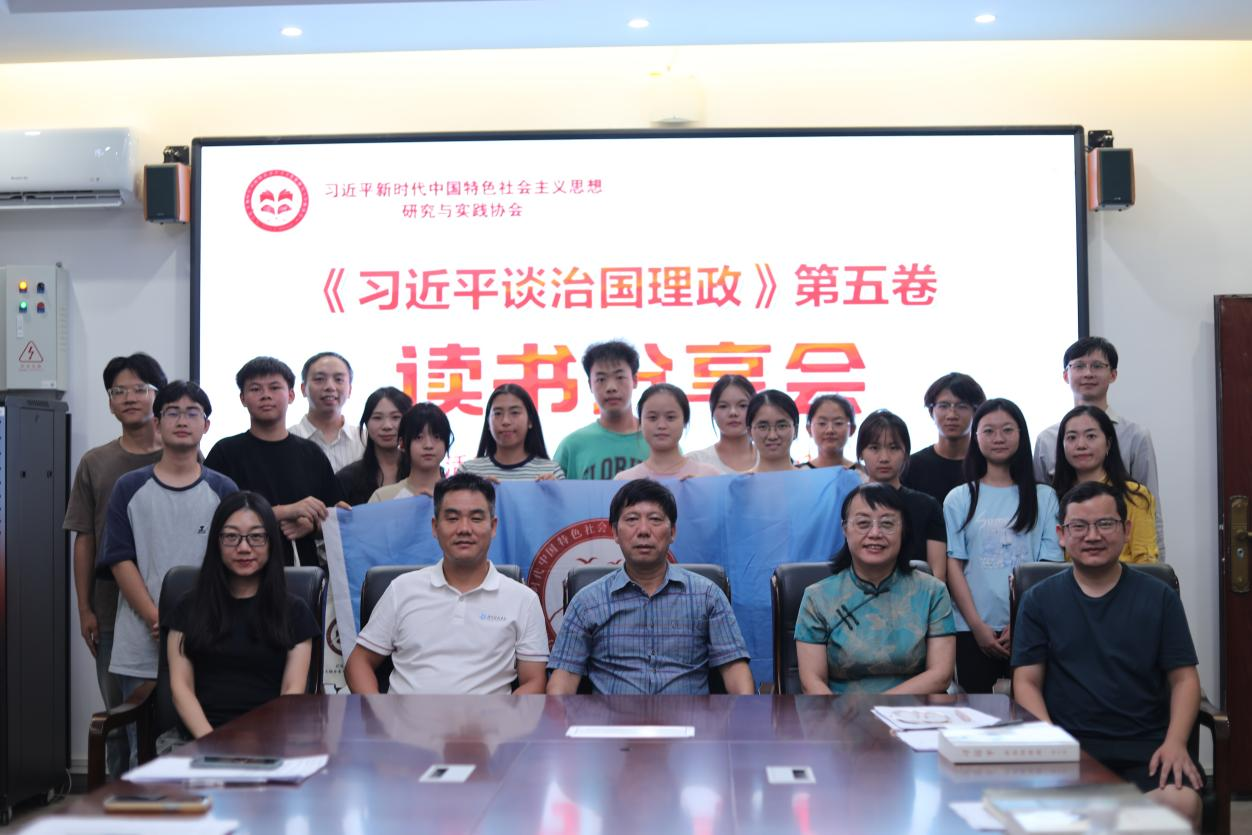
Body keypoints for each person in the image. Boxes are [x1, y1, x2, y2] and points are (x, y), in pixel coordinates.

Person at [1012, 482, 1202, 829]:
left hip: (1146, 749)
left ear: (1126, 530)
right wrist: (1051, 743)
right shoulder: (1039, 600)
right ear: (1062, 535)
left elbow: (1184, 679)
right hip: (1071, 748)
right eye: (1079, 526)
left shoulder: (1159, 597)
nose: (1092, 536)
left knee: (1181, 803)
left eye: (1105, 524)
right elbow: (1026, 681)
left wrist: (1176, 743)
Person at [98, 381, 238, 756]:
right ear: (157, 424)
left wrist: (194, 620)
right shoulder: (129, 487)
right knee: (139, 752)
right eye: (172, 412)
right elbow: (119, 558)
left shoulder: (224, 489)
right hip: (141, 640)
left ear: (206, 425)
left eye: (193, 413)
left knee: (203, 746)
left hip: (208, 637)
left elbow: (233, 561)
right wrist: (156, 617)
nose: (182, 420)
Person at [345, 473, 548, 695]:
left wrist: (503, 716)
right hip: (406, 716)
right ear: (435, 527)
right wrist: (379, 710)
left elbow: (534, 681)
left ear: (493, 526)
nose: (464, 529)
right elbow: (359, 662)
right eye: (452, 518)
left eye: (476, 518)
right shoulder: (402, 589)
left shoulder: (523, 600)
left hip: (489, 717)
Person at [547, 478, 754, 695]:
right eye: (632, 519)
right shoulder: (587, 602)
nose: (643, 530)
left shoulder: (707, 596)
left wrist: (745, 713)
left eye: (655, 519)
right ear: (615, 532)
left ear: (672, 532)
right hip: (610, 716)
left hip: (690, 715)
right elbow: (563, 680)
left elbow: (735, 671)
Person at [63, 352, 167, 777]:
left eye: (140, 389)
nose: (129, 398)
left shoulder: (182, 454)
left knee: (166, 717)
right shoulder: (96, 462)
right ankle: (115, 801)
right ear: (109, 403)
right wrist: (84, 607)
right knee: (118, 717)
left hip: (170, 603)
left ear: (158, 396)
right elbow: (85, 537)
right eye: (118, 391)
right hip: (109, 607)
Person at [166, 491, 320, 739]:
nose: (244, 548)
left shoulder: (295, 612)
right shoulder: (188, 607)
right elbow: (181, 688)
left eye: (256, 537)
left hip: (271, 739)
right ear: (216, 542)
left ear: (271, 542)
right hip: (198, 739)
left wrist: (259, 748)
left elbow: (292, 691)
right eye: (231, 537)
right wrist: (212, 743)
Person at [944, 398, 1063, 694]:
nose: (998, 438)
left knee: (1031, 709)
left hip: (1032, 625)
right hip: (971, 628)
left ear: (1021, 434)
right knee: (976, 713)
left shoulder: (1044, 497)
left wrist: (1019, 621)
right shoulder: (959, 498)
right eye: (989, 431)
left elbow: (1048, 567)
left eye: (1007, 430)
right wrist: (977, 626)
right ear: (976, 437)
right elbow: (953, 566)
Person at [795, 483, 955, 694]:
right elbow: (812, 681)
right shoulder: (818, 598)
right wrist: (840, 713)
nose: (875, 533)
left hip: (915, 710)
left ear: (903, 530)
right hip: (841, 710)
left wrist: (878, 706)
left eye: (887, 524)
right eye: (863, 523)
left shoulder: (933, 592)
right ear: (845, 529)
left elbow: (941, 675)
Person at [205, 357, 342, 566]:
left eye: (275, 387)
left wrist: (312, 526)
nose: (266, 395)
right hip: (240, 568)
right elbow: (214, 520)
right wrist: (285, 511)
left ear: (291, 395)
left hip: (302, 574)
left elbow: (330, 515)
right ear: (242, 398)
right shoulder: (225, 452)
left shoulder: (312, 454)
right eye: (255, 389)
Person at [1032, 336, 1164, 554]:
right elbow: (1040, 507)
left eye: (1097, 366)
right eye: (1079, 366)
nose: (1088, 373)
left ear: (1113, 374)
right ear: (1065, 375)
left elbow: (1150, 509)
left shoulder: (1136, 435)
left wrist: (1157, 567)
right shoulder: (1047, 439)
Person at [1053, 405, 1159, 563]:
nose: (1081, 445)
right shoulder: (1052, 497)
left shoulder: (1134, 496)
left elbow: (1146, 562)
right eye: (1072, 437)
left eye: (1091, 436)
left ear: (1108, 444)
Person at [856, 410, 948, 580]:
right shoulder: (851, 505)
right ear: (861, 453)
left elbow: (938, 574)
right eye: (874, 448)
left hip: (919, 594)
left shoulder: (927, 506)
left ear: (906, 453)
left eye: (894, 448)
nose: (884, 458)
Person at [553, 340, 649, 480]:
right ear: (590, 385)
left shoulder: (658, 440)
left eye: (620, 377)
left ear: (634, 380)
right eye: (601, 379)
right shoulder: (572, 446)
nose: (611, 387)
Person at [902, 372, 986, 505]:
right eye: (943, 406)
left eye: (962, 406)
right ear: (931, 411)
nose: (952, 415)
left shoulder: (987, 465)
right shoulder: (911, 467)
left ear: (976, 412)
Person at [615, 384, 721, 481]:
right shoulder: (624, 480)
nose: (661, 425)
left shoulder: (708, 476)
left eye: (670, 417)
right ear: (640, 422)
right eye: (652, 417)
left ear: (685, 421)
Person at [459, 384, 564, 481]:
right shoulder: (468, 471)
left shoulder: (551, 472)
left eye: (514, 412)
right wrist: (480, 491)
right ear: (488, 422)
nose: (506, 421)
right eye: (498, 413)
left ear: (530, 421)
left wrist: (554, 489)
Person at [335, 387, 413, 506]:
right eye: (377, 418)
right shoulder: (346, 478)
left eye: (396, 417)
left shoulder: (424, 473)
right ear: (366, 423)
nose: (387, 426)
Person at [289, 351, 364, 472]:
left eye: (338, 379)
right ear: (303, 389)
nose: (330, 387)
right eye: (319, 379)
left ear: (350, 390)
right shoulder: (286, 439)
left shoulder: (365, 440)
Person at [368, 402, 452, 501]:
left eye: (437, 437)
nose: (428, 445)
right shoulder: (383, 498)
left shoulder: (460, 496)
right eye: (419, 437)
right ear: (402, 444)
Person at [688, 374, 759, 474]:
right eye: (723, 406)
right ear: (712, 411)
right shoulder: (694, 462)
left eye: (742, 405)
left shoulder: (772, 458)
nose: (733, 412)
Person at [800, 394, 860, 471]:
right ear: (809, 429)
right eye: (822, 423)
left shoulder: (862, 474)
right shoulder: (799, 473)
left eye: (838, 423)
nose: (830, 430)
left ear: (852, 429)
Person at [748, 389, 801, 473]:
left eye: (782, 426)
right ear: (749, 432)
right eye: (763, 427)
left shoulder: (813, 480)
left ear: (796, 430)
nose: (772, 436)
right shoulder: (737, 481)